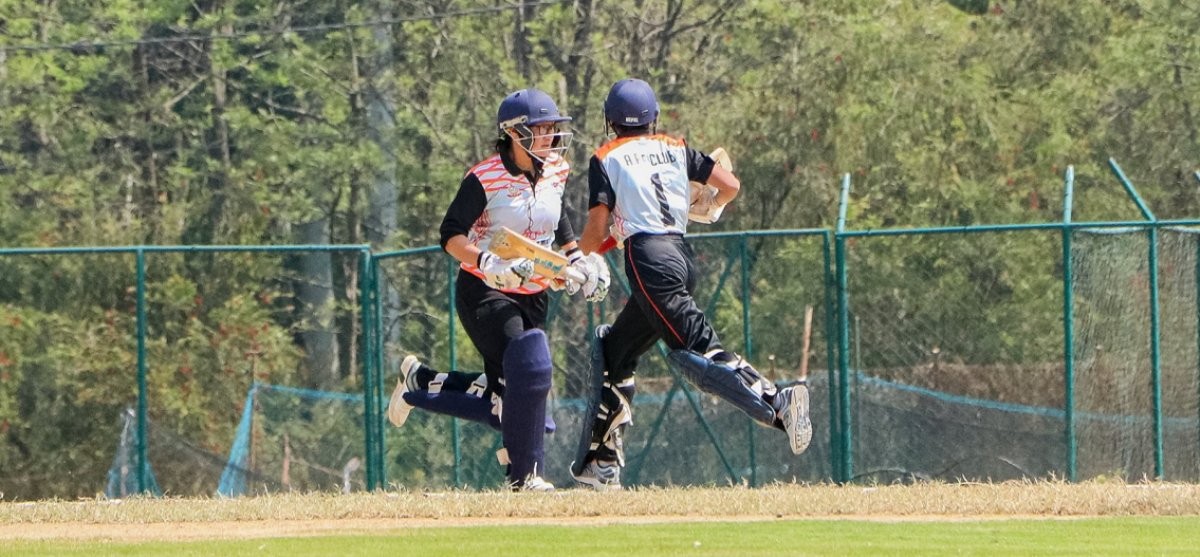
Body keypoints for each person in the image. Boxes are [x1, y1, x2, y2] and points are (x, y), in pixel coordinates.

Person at [570, 78, 811, 490]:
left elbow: (598, 226)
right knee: (613, 353)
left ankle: (778, 401)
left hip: (649, 262)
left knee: (698, 353)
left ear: (610, 120)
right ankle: (601, 464)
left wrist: (575, 257)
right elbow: (730, 186)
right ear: (653, 117)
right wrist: (710, 204)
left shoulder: (606, 157)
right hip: (680, 255)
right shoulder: (675, 147)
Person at [386, 88, 609, 492]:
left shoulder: (556, 168)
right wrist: (488, 262)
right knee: (530, 370)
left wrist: (575, 258)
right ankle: (524, 478)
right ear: (515, 133)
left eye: (552, 128)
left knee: (512, 405)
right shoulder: (484, 177)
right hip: (485, 290)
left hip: (534, 292)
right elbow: (450, 235)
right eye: (541, 128)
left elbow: (557, 217)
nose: (550, 136)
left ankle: (420, 383)